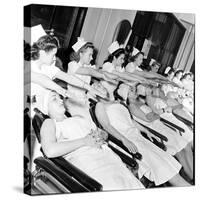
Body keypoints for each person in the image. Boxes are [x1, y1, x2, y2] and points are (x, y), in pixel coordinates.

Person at [39, 90, 144, 191]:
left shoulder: (78, 118)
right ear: (46, 108)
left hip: (110, 159)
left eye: (60, 97)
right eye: (54, 99)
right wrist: (84, 141)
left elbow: (103, 133)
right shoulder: (50, 123)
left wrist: (102, 135)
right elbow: (50, 151)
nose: (61, 100)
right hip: (91, 166)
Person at [94, 90, 191, 186]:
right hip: (126, 141)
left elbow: (132, 122)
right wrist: (124, 140)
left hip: (138, 137)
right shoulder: (100, 105)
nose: (100, 87)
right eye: (97, 85)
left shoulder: (117, 102)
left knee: (167, 163)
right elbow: (106, 126)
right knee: (164, 167)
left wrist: (146, 131)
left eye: (101, 85)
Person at [28, 25, 106, 111]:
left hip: (43, 105)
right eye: (53, 55)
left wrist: (89, 87)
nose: (55, 58)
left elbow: (69, 78)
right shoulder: (28, 67)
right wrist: (60, 89)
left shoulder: (48, 68)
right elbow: (41, 79)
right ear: (42, 53)